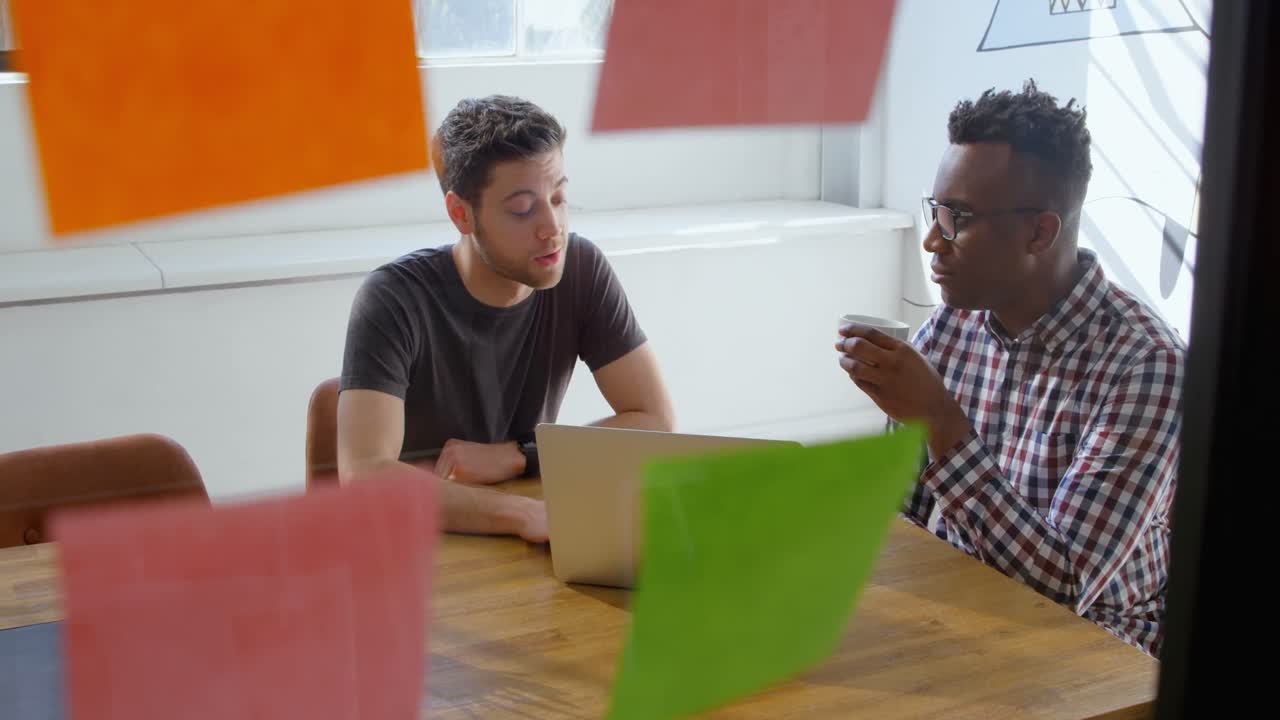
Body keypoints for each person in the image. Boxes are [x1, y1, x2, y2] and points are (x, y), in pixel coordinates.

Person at [836, 81, 1183, 656]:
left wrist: (939, 421)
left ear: (1040, 232)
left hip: (1092, 661)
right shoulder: (952, 328)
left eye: (958, 219)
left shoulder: (1146, 368)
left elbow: (1066, 590)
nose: (931, 241)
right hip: (961, 627)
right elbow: (902, 522)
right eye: (935, 211)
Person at [338, 95, 675, 543]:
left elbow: (653, 420)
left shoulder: (581, 269)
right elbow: (364, 474)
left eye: (559, 197)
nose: (551, 226)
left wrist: (520, 456)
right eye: (522, 208)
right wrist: (520, 514)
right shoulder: (394, 298)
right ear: (461, 214)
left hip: (528, 544)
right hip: (420, 546)